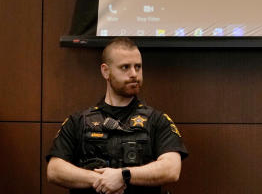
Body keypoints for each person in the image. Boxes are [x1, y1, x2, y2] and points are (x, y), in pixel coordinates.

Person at [46, 37, 187, 194]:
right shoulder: (78, 121)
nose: (134, 74)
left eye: (138, 67)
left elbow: (171, 169)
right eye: (125, 67)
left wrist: (123, 176)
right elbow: (54, 170)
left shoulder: (158, 120)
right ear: (106, 71)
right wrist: (100, 179)